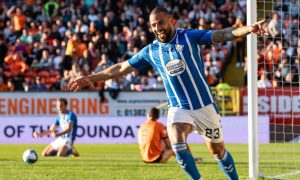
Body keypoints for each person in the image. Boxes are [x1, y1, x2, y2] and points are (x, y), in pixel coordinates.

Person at [69, 7, 266, 180]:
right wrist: (90, 78)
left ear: (170, 20)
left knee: (218, 151)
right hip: (179, 107)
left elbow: (221, 34)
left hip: (205, 106)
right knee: (178, 145)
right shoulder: (151, 51)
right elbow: (121, 68)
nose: (157, 28)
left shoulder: (189, 37)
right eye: (153, 25)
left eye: (160, 23)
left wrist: (248, 29)